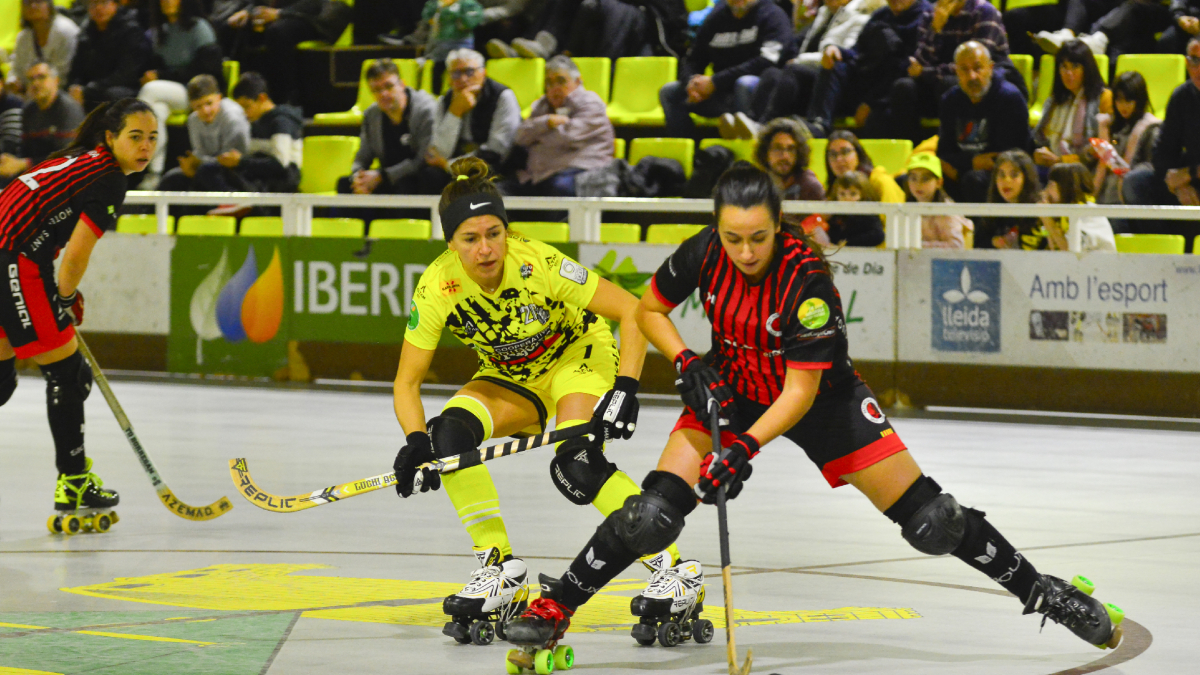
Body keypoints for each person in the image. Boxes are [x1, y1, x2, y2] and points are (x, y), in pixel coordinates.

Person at [502, 163, 1125, 656]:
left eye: (758, 239)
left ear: (781, 225)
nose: (745, 253)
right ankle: (558, 604)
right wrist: (687, 362)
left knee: (936, 521)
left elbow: (798, 395)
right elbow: (649, 308)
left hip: (826, 403)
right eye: (732, 238)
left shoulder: (807, 286)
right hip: (733, 385)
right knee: (650, 516)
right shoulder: (705, 250)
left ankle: (1046, 593)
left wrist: (742, 448)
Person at [390, 156, 695, 642]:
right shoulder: (436, 286)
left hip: (578, 353)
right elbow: (406, 383)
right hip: (510, 374)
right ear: (449, 243)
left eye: (495, 233)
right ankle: (499, 570)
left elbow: (633, 310)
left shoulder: (538, 263)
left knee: (575, 461)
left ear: (508, 231)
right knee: (446, 436)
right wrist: (414, 440)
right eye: (470, 239)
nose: (486, 249)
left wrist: (627, 387)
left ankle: (676, 573)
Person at [0, 99, 157, 525]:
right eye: (135, 137)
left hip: (11, 254)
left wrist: (60, 295)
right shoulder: (108, 179)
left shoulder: (76, 159)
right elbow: (74, 257)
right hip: (15, 260)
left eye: (152, 138)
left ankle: (74, 478)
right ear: (111, 138)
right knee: (70, 374)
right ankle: (74, 480)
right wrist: (64, 299)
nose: (146, 147)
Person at [888, 0, 1027, 143]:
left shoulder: (984, 12)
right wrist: (935, 29)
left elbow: (975, 64)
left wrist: (925, 72)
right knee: (903, 88)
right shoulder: (931, 14)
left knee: (950, 84)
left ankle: (958, 150)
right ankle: (911, 154)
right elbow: (919, 63)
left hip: (984, 82)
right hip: (939, 81)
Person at [730, 0, 870, 138]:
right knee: (771, 73)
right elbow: (798, 44)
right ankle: (752, 123)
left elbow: (843, 55)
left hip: (835, 84)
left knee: (794, 71)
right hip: (808, 73)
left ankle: (766, 126)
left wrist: (799, 60)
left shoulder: (860, 17)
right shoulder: (824, 13)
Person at [659, 0, 794, 138]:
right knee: (669, 92)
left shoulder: (773, 15)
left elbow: (766, 62)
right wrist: (691, 83)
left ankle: (749, 149)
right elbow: (693, 59)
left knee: (744, 83)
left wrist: (715, 82)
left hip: (760, 93)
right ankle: (688, 152)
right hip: (721, 93)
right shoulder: (715, 17)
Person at [806, 0, 932, 139]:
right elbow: (858, 53)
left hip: (895, 90)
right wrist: (837, 51)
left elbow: (904, 67)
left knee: (881, 112)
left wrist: (871, 102)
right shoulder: (881, 14)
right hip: (870, 81)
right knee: (834, 64)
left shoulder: (925, 16)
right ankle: (819, 125)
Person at [135, 0, 222, 190]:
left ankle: (137, 156)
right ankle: (154, 174)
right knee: (156, 110)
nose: (167, 2)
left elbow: (206, 70)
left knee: (150, 91)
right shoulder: (160, 31)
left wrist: (161, 76)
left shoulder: (200, 28)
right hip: (169, 94)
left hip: (196, 93)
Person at [1122, 38, 1200, 245]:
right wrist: (1178, 184)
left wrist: (1187, 174)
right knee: (1135, 182)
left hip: (1190, 175)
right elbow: (1162, 152)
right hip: (1187, 182)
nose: (1199, 68)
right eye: (1195, 60)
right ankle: (1164, 255)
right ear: (1186, 63)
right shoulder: (1182, 96)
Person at [936, 41, 1032, 203]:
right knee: (918, 179)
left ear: (990, 68)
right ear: (956, 71)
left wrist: (965, 166)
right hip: (964, 171)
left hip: (1002, 176)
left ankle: (984, 229)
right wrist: (971, 163)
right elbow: (944, 154)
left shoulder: (1009, 98)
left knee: (974, 180)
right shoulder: (949, 100)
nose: (972, 76)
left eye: (977, 68)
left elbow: (1016, 154)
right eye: (964, 69)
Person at [506, 55, 614, 197]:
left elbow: (566, 137)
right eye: (549, 83)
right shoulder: (542, 105)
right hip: (540, 175)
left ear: (578, 81)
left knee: (557, 189)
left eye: (561, 81)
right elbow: (520, 137)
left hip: (580, 172)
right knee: (496, 190)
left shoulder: (591, 103)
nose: (555, 88)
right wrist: (547, 122)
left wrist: (537, 135)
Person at [424, 49, 521, 195]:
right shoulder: (445, 100)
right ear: (449, 78)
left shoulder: (503, 96)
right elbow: (440, 151)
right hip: (457, 166)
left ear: (483, 73)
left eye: (469, 72)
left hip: (496, 170)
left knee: (480, 186)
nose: (463, 79)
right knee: (429, 176)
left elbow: (496, 152)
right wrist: (454, 112)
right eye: (456, 74)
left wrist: (449, 165)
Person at [218, 0, 352, 105]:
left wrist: (280, 13)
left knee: (279, 32)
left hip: (314, 18)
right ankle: (239, 94)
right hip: (282, 15)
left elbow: (315, 3)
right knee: (232, 27)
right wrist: (249, 12)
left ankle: (286, 99)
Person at [336, 59, 439, 196]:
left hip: (414, 176)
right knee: (344, 184)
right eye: (377, 90)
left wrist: (382, 176)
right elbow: (362, 157)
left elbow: (423, 159)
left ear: (402, 84)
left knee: (407, 184)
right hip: (385, 177)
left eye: (388, 86)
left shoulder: (426, 110)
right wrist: (358, 178)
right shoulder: (371, 115)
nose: (383, 94)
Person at [211, 71, 304, 193]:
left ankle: (244, 206)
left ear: (262, 98)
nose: (244, 113)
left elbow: (280, 164)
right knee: (209, 171)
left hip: (282, 180)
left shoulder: (282, 122)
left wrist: (241, 162)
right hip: (260, 178)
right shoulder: (255, 123)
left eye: (247, 106)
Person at [158, 74, 250, 193]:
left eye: (209, 103)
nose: (205, 111)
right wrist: (193, 166)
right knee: (170, 179)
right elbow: (200, 152)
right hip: (207, 168)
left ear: (219, 98)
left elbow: (229, 159)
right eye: (198, 106)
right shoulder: (193, 120)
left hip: (237, 170)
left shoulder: (233, 117)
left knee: (205, 172)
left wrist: (196, 165)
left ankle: (234, 204)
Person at [0, 64, 86, 189]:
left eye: (41, 77)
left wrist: (23, 164)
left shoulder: (68, 109)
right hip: (38, 176)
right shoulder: (29, 110)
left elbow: (68, 158)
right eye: (31, 79)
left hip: (69, 179)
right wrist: (10, 162)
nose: (35, 83)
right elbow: (25, 150)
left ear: (56, 81)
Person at [1032, 40, 1111, 174]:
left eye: (1075, 66)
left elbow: (1099, 152)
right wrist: (1040, 154)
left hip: (1084, 171)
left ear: (1087, 68)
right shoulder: (1053, 101)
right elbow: (1040, 140)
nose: (1069, 73)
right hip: (1053, 166)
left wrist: (1060, 161)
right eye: (1064, 66)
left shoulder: (1104, 98)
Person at [68, 0, 152, 111]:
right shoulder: (86, 32)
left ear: (115, 4)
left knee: (112, 95)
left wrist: (89, 89)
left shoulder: (131, 31)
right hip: (93, 88)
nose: (98, 8)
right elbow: (76, 68)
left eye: (103, 3)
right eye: (93, 4)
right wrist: (75, 86)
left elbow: (128, 74)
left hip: (125, 87)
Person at [1093, 70, 1159, 205]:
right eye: (1118, 100)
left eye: (1128, 100)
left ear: (1139, 100)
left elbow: (1149, 173)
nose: (1123, 106)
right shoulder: (1108, 125)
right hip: (1103, 198)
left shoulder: (1150, 130)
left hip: (1131, 201)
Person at [6, 0, 80, 96]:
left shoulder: (65, 31)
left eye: (38, 1)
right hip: (30, 94)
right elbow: (16, 69)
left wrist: (34, 86)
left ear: (49, 4)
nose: (33, 6)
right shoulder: (23, 37)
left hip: (62, 94)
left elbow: (63, 75)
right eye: (27, 3)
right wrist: (13, 81)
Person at [1039, 162, 1116, 251]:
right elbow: (1056, 251)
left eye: (1051, 185)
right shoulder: (1063, 215)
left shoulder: (1089, 213)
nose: (1046, 191)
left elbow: (1073, 255)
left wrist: (1049, 223)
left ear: (1066, 188)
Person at [904, 151, 973, 248]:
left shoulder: (947, 210)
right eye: (913, 178)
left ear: (939, 183)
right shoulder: (906, 209)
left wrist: (919, 247)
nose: (918, 184)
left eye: (925, 178)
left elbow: (956, 246)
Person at [981, 149, 1044, 249]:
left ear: (1026, 178)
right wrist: (994, 242)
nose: (1007, 180)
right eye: (1001, 175)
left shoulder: (1040, 211)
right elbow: (978, 243)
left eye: (1014, 175)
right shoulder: (991, 210)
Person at [421, 0, 484, 95]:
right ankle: (437, 97)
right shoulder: (436, 4)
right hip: (440, 46)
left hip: (462, 45)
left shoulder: (467, 4)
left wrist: (455, 14)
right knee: (437, 71)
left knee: (463, 71)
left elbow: (471, 21)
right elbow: (427, 16)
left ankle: (468, 93)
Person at [824, 130, 905, 202]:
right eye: (833, 154)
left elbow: (895, 216)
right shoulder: (831, 189)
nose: (839, 159)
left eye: (845, 152)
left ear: (858, 154)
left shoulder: (881, 181)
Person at [756, 117, 825, 200]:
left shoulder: (810, 187)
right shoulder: (758, 186)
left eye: (790, 149)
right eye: (778, 148)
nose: (785, 155)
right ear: (765, 151)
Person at [827, 170, 886, 246]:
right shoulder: (837, 215)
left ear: (863, 194)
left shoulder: (867, 213)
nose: (847, 198)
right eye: (842, 194)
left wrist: (849, 243)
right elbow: (834, 235)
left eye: (853, 194)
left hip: (864, 255)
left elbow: (878, 235)